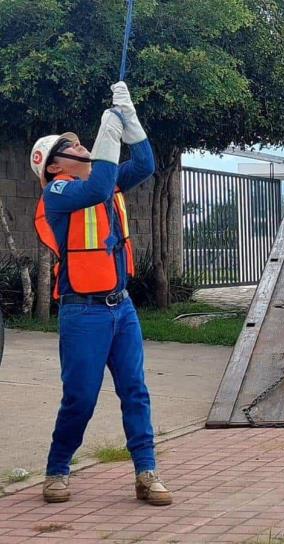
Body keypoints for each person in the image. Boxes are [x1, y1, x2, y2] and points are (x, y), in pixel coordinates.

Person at [30, 82, 171, 506]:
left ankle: (147, 473)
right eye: (72, 147)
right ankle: (57, 471)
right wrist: (109, 134)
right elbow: (95, 188)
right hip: (82, 313)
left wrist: (130, 121)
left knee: (135, 389)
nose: (83, 148)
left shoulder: (104, 182)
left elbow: (144, 164)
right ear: (55, 168)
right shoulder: (58, 194)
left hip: (121, 308)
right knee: (81, 398)